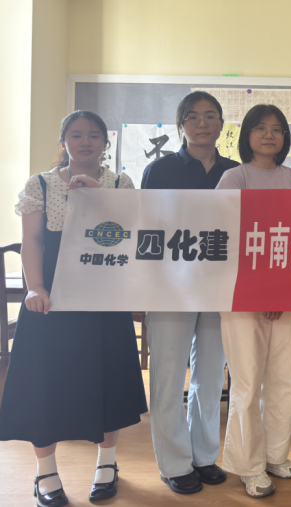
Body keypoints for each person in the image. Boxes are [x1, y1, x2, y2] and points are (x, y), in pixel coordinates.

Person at [0, 111, 148, 506]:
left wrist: (98, 195)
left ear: (105, 142)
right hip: (51, 300)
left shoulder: (119, 183)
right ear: (64, 141)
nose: (86, 142)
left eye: (94, 135)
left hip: (105, 298)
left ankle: (107, 464)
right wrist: (36, 287)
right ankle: (45, 473)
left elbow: (130, 235)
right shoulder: (39, 184)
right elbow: (32, 240)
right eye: (77, 135)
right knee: (43, 384)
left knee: (108, 381)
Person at [141, 90, 239, 495]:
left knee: (211, 376)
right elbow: (146, 228)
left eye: (211, 116)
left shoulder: (235, 172)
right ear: (181, 124)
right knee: (167, 376)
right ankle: (174, 463)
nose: (203, 123)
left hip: (220, 287)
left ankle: (204, 456)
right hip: (171, 288)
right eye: (194, 117)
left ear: (221, 124)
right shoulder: (160, 170)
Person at [215, 104, 291, 498]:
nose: (269, 135)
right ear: (247, 135)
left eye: (277, 129)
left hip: (287, 293)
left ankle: (274, 456)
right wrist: (265, 289)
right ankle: (249, 466)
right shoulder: (234, 177)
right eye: (260, 128)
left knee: (284, 379)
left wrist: (281, 289)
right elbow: (225, 237)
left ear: (285, 137)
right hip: (243, 294)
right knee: (248, 382)